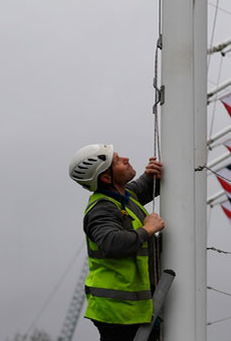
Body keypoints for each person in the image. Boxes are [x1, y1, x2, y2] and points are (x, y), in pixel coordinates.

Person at [68, 144, 164, 341]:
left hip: (129, 309)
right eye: (118, 161)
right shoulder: (102, 208)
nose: (126, 159)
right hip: (118, 312)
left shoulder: (123, 196)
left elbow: (142, 188)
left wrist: (150, 176)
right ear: (105, 177)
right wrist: (147, 229)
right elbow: (112, 243)